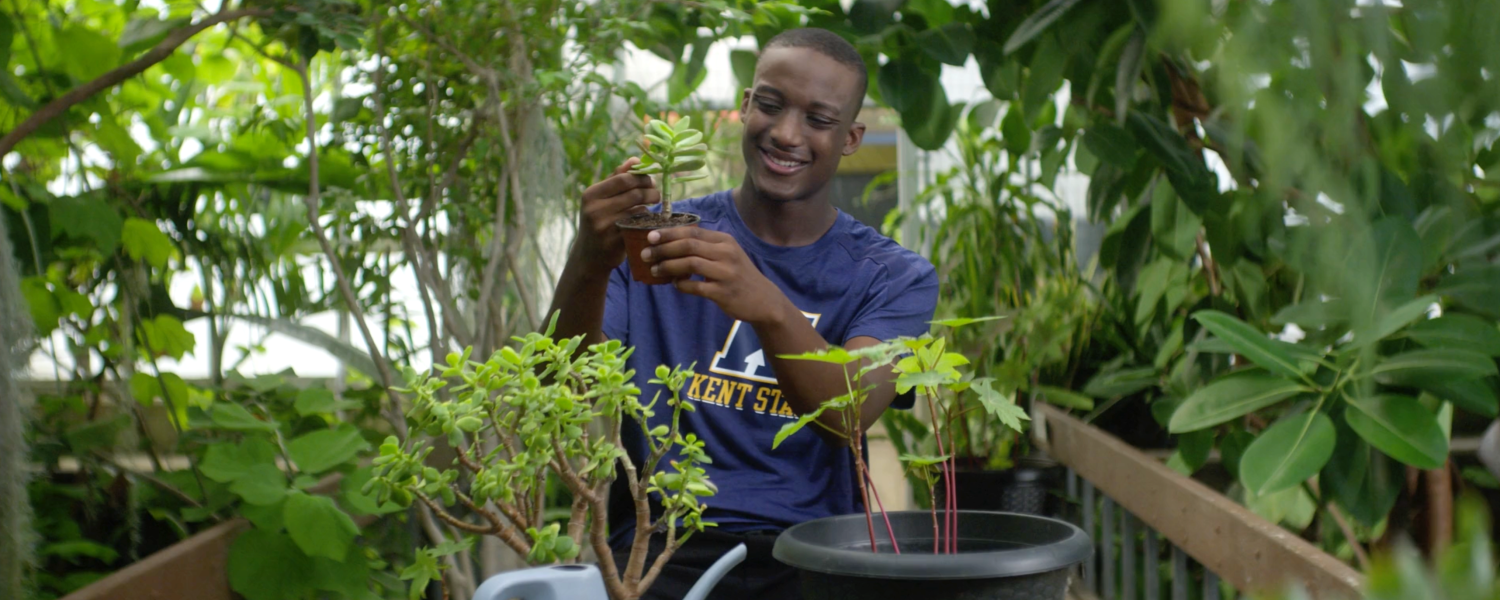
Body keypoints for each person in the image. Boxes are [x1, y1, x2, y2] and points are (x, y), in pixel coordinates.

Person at [548, 27, 938, 600]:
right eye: (772, 106)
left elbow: (845, 421)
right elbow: (565, 390)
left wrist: (770, 307)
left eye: (819, 120)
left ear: (851, 137)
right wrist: (588, 261)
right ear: (747, 106)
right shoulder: (658, 238)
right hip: (658, 552)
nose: (786, 134)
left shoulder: (893, 276)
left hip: (812, 556)